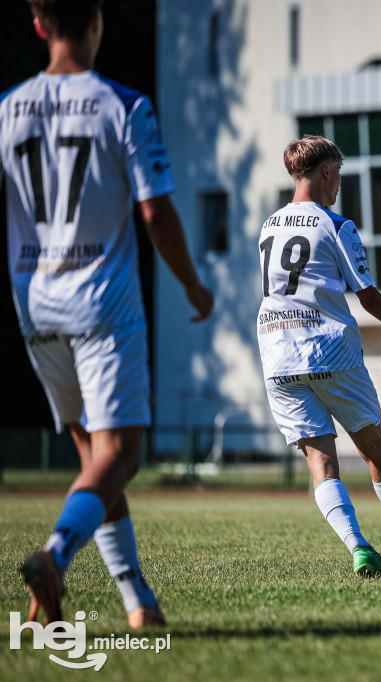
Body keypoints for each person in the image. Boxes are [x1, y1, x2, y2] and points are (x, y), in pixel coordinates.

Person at [3, 0, 214, 626]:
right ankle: (57, 555)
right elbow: (156, 212)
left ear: (39, 25)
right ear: (97, 19)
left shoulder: (8, 109)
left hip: (35, 304)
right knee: (120, 458)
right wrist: (194, 287)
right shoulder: (124, 105)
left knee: (95, 459)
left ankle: (138, 601)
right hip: (102, 303)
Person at [258, 135, 381, 576]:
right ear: (327, 172)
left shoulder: (269, 226)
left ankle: (359, 548)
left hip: (277, 354)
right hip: (329, 350)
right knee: (373, 450)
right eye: (339, 175)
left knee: (320, 461)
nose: (339, 186)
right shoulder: (336, 225)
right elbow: (368, 297)